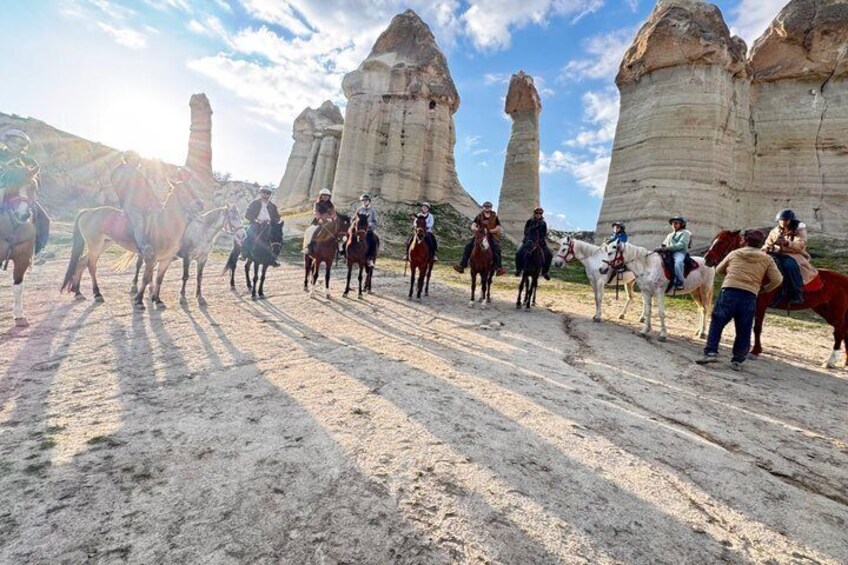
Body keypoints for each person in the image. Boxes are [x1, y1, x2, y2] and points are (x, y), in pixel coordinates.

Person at [697, 229, 783, 371]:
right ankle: (737, 360)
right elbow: (778, 279)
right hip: (749, 295)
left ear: (745, 241)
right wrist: (764, 289)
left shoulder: (735, 253)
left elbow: (718, 269)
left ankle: (711, 352)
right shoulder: (767, 259)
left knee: (717, 321)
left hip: (729, 291)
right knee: (744, 327)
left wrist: (730, 274)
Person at [0, 129, 50, 258]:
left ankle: (39, 250)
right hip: (3, 189)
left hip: (22, 192)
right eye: (14, 141)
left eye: (20, 143)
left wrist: (32, 183)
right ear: (6, 141)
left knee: (44, 219)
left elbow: (37, 180)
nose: (17, 144)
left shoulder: (29, 161)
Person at [111, 150, 160, 259]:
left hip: (145, 205)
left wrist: (156, 203)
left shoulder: (139, 174)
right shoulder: (120, 171)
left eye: (136, 158)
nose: (135, 160)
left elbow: (150, 190)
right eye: (132, 158)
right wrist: (131, 196)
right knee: (138, 223)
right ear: (127, 159)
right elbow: (119, 187)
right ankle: (142, 247)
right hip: (131, 205)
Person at [763, 209, 816, 305]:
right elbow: (767, 243)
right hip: (776, 254)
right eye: (781, 220)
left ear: (791, 220)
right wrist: (766, 248)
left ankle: (796, 293)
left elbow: (801, 245)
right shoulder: (774, 231)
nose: (783, 222)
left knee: (789, 265)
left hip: (793, 254)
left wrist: (787, 243)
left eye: (786, 220)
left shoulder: (799, 230)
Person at [453, 201, 506, 276]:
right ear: (483, 207)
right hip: (480, 235)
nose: (487, 208)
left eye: (488, 206)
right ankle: (462, 266)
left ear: (491, 208)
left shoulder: (494, 216)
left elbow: (498, 227)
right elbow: (473, 225)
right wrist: (476, 229)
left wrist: (490, 231)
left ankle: (498, 268)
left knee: (496, 248)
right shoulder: (479, 216)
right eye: (486, 206)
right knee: (468, 246)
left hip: (490, 235)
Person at [245, 186, 282, 267]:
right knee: (249, 233)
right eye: (264, 192)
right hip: (256, 223)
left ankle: (274, 258)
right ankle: (244, 253)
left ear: (270, 195)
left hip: (269, 224)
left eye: (268, 193)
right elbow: (247, 214)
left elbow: (277, 217)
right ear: (260, 193)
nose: (266, 194)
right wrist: (255, 220)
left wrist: (276, 221)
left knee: (278, 237)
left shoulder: (273, 206)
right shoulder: (254, 203)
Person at [514, 206, 553, 280]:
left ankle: (545, 272)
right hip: (529, 241)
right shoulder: (530, 221)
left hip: (540, 242)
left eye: (540, 213)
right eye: (537, 213)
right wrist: (534, 227)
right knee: (518, 253)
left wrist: (540, 238)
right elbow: (526, 231)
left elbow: (544, 234)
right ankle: (518, 269)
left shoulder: (543, 223)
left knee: (550, 255)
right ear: (534, 213)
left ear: (542, 214)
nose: (538, 214)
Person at [656, 216, 691, 290]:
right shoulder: (669, 235)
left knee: (678, 262)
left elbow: (681, 245)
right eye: (672, 223)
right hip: (668, 252)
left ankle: (680, 282)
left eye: (676, 223)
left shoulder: (685, 233)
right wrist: (660, 248)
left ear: (682, 224)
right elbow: (664, 244)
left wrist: (667, 248)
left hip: (679, 252)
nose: (674, 225)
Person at [302, 188, 336, 255]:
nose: (326, 197)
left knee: (340, 232)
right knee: (309, 231)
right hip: (319, 221)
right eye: (324, 195)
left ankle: (340, 248)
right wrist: (319, 218)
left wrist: (332, 218)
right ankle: (308, 247)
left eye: (327, 195)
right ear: (321, 196)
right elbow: (316, 212)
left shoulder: (331, 205)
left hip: (330, 221)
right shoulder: (317, 204)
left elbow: (333, 213)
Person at [353, 193, 378, 267]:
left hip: (368, 230)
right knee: (348, 238)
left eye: (366, 200)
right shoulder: (359, 209)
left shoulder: (372, 211)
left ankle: (370, 258)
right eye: (363, 201)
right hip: (359, 230)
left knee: (373, 241)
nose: (365, 202)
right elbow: (354, 218)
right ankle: (346, 254)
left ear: (369, 201)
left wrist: (370, 225)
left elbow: (375, 222)